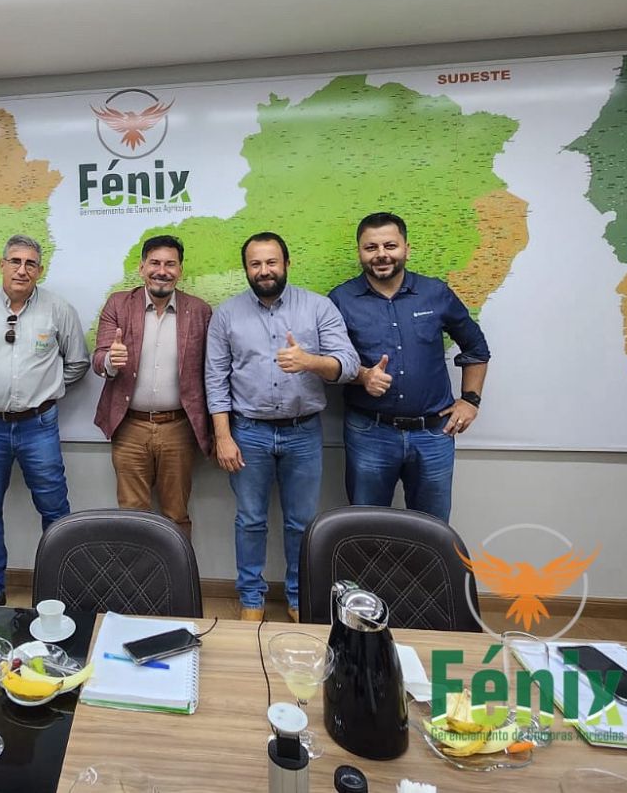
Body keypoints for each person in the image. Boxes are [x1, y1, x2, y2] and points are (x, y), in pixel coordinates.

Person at [205, 232, 359, 622]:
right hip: (248, 432)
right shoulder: (227, 314)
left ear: (287, 263)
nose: (264, 270)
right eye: (255, 264)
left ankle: (297, 596)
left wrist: (310, 362)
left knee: (301, 523)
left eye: (271, 262)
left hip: (303, 432)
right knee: (250, 520)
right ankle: (251, 599)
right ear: (246, 269)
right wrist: (223, 436)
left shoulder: (318, 307)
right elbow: (215, 379)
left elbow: (349, 364)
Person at [0, 234, 89, 604]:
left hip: (39, 427)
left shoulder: (58, 309)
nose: (22, 270)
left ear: (40, 270)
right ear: (2, 264)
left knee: (55, 511)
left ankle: (58, 593)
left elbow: (78, 363)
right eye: (15, 261)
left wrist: (48, 388)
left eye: (30, 264)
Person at [328, 212, 490, 521]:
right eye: (371, 247)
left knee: (432, 528)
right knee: (367, 525)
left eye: (390, 245)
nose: (381, 254)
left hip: (433, 434)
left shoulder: (435, 293)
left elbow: (476, 348)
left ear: (406, 249)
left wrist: (470, 400)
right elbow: (327, 363)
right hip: (369, 433)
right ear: (360, 252)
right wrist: (362, 376)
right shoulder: (340, 300)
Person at [92, 234, 212, 538]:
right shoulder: (119, 304)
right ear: (142, 267)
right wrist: (111, 361)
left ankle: (179, 570)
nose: (162, 271)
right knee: (132, 515)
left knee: (176, 515)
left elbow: (212, 370)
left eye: (170, 264)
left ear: (180, 270)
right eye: (155, 263)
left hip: (179, 428)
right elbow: (98, 359)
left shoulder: (199, 310)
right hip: (130, 427)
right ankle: (137, 572)